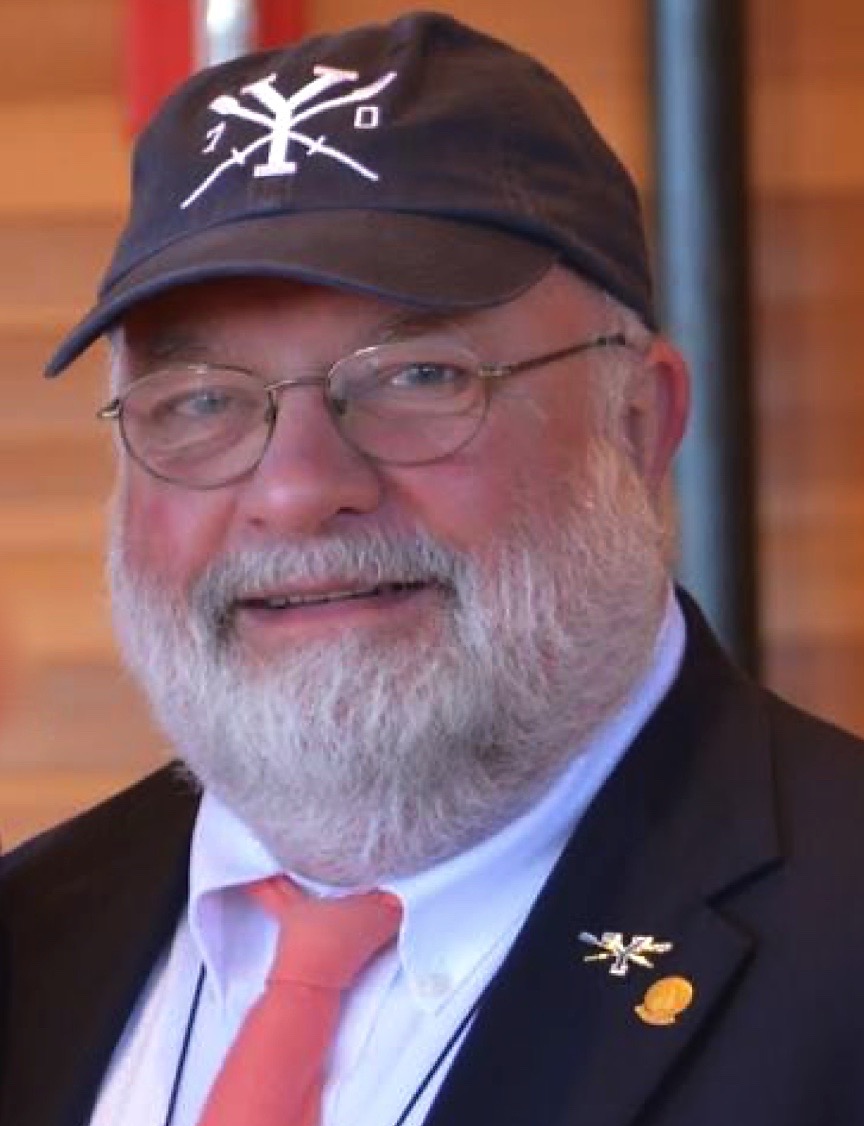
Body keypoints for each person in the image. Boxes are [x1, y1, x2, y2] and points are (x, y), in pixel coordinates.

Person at [2, 10, 864, 1126]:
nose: (296, 488)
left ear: (639, 422)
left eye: (418, 376)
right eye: (201, 402)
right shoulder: (29, 943)